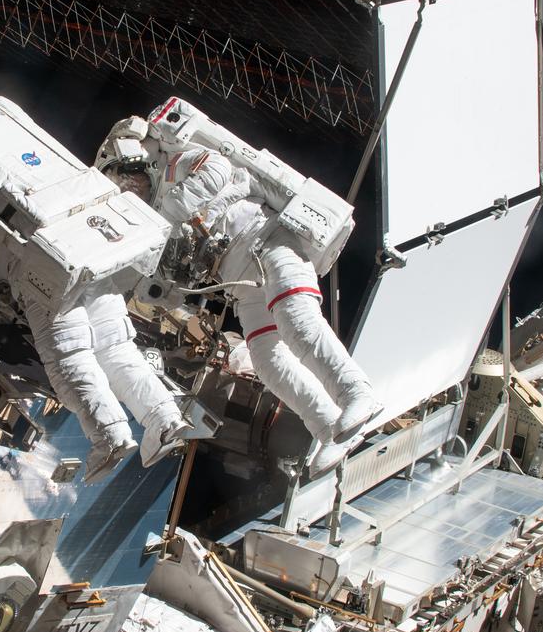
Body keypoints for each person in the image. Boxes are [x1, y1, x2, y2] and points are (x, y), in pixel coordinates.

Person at [0, 99, 190, 484]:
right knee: (117, 348)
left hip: (48, 270)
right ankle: (166, 420)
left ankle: (110, 436)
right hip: (98, 251)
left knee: (70, 357)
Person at [96, 99, 381, 470]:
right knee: (267, 361)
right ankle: (330, 427)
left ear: (134, 164)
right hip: (241, 282)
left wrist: (171, 215)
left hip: (269, 241)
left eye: (126, 179)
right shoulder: (154, 218)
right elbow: (177, 279)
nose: (129, 189)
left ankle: (358, 394)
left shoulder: (172, 164)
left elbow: (217, 171)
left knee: (298, 323)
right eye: (121, 188)